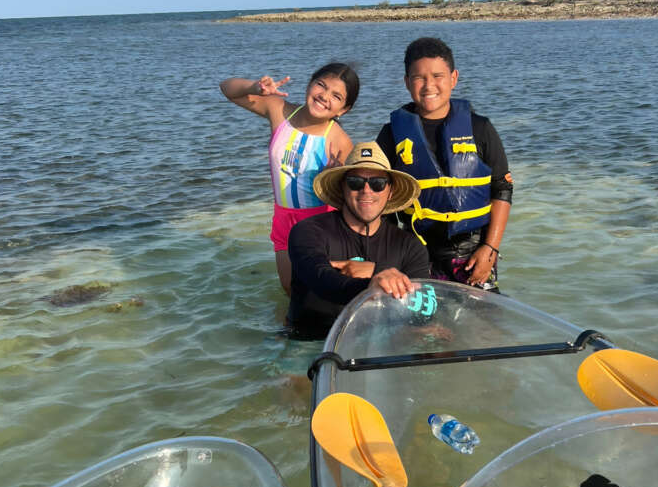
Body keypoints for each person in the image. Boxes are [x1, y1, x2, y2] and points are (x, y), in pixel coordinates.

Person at [376, 37, 513, 292]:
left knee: (482, 327)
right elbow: (380, 203)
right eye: (419, 78)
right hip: (416, 255)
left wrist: (490, 248)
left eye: (438, 76)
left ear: (453, 78)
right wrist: (390, 261)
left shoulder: (480, 129)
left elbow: (502, 189)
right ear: (407, 82)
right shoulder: (391, 135)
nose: (429, 85)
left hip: (473, 255)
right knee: (426, 328)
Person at [220, 64, 357, 295]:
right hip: (284, 218)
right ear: (310, 83)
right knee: (290, 289)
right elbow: (227, 88)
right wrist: (254, 86)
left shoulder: (339, 141)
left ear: (344, 109)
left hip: (320, 223)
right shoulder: (280, 110)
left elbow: (353, 198)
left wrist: (333, 180)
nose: (324, 96)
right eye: (321, 85)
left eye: (336, 96)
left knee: (319, 293)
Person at [286, 142, 430, 339]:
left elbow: (426, 308)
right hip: (311, 341)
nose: (366, 191)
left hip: (382, 340)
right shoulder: (308, 232)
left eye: (378, 183)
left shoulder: (410, 246)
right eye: (356, 182)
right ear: (342, 187)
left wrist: (374, 270)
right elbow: (319, 277)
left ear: (391, 192)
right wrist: (372, 284)